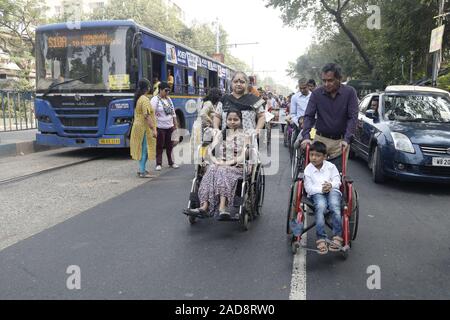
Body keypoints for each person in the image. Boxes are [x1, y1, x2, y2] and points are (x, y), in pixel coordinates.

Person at [191, 109, 250, 219]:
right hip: (219, 164)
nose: (232, 122)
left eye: (235, 119)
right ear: (226, 120)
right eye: (229, 119)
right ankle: (204, 206)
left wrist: (227, 163)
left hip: (236, 167)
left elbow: (243, 156)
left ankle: (222, 207)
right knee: (211, 169)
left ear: (241, 121)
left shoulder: (245, 136)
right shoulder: (220, 134)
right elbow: (210, 151)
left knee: (222, 170)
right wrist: (216, 161)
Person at [301, 63, 359, 163]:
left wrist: (347, 139)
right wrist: (306, 137)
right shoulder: (316, 94)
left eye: (330, 80)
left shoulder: (350, 92)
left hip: (340, 143)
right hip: (320, 141)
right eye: (324, 81)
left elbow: (352, 117)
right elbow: (309, 116)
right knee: (314, 175)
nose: (326, 84)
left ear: (339, 79)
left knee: (337, 176)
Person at [304, 141, 343, 255]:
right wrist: (321, 189)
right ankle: (321, 238)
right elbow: (309, 189)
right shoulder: (308, 169)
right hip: (317, 193)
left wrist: (330, 185)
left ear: (325, 156)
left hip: (332, 190)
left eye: (317, 155)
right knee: (320, 207)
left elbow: (337, 181)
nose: (314, 158)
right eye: (311, 155)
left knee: (335, 206)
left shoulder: (331, 167)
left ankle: (337, 236)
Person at [130, 78, 157, 178]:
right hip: (143, 128)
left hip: (138, 126)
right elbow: (147, 116)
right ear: (148, 88)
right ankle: (142, 171)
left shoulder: (138, 98)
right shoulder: (145, 99)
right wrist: (153, 129)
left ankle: (142, 169)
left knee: (141, 148)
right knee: (145, 149)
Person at [150, 81, 179, 171]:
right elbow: (152, 114)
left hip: (169, 127)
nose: (167, 93)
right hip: (160, 127)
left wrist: (176, 127)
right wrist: (154, 128)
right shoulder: (155, 100)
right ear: (160, 90)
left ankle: (171, 162)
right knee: (159, 146)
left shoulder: (169, 99)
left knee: (170, 146)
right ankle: (158, 163)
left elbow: (173, 113)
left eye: (168, 91)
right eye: (165, 91)